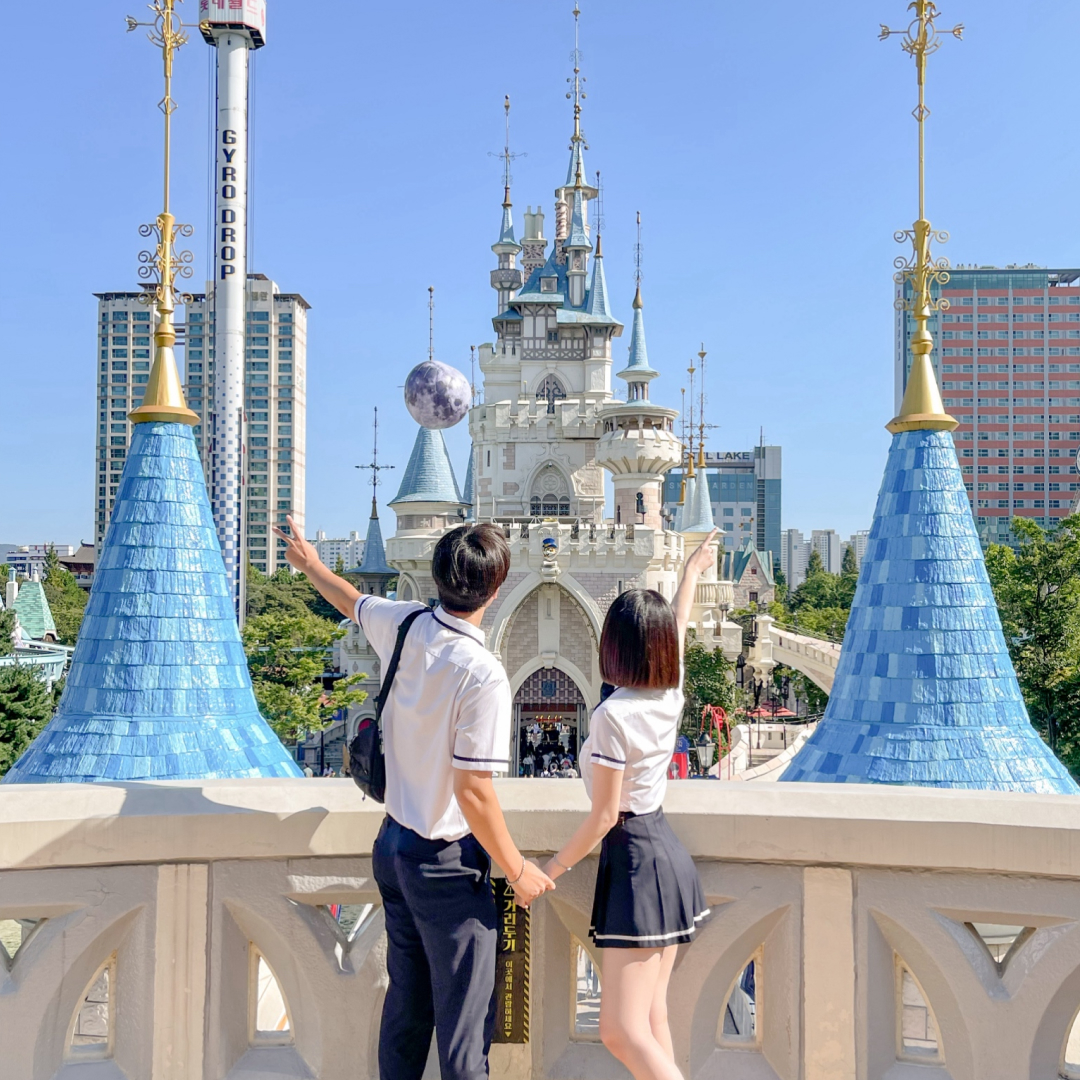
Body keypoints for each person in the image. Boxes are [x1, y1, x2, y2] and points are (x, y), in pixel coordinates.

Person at [273, 517, 554, 1080]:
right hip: (446, 866)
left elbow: (350, 599)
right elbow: (473, 792)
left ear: (436, 579)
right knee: (463, 1025)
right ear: (495, 590)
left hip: (394, 849)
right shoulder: (482, 674)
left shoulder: (404, 625)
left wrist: (310, 565)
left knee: (409, 1003)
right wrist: (518, 869)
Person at [541, 530, 719, 1080]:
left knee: (619, 1029)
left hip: (638, 866)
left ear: (613, 646)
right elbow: (680, 628)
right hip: (665, 857)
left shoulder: (613, 716)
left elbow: (603, 816)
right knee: (650, 1015)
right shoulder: (670, 692)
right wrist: (690, 573)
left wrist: (549, 870)